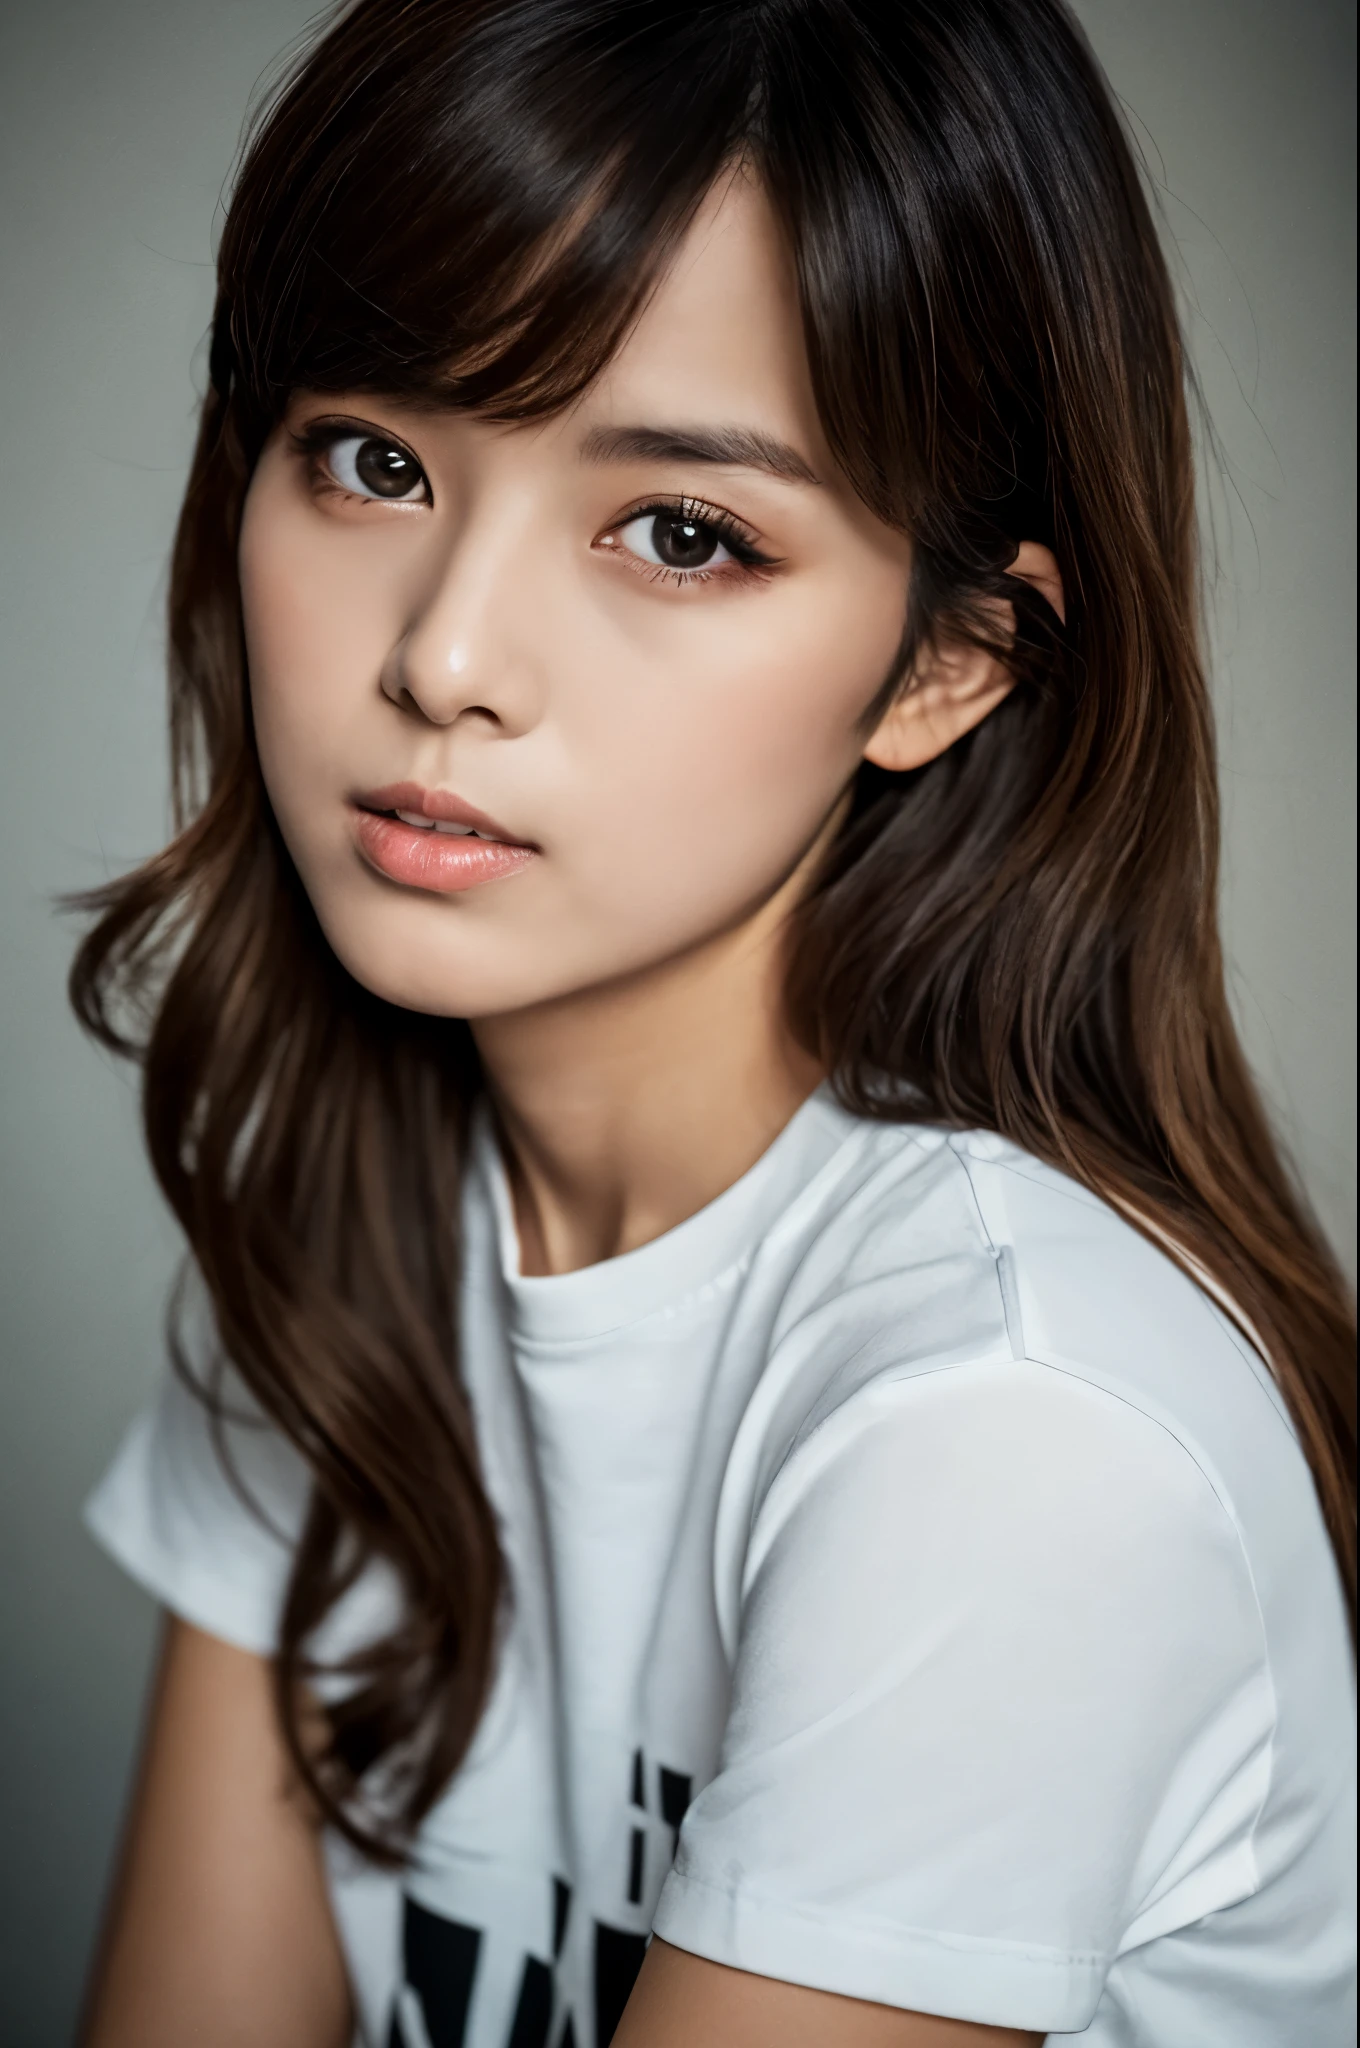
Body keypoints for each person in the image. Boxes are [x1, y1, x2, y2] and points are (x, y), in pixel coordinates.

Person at [72, 1, 1355, 2044]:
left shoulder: (1009, 1432)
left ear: (944, 662)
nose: (448, 657)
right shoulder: (344, 1229)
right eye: (373, 460)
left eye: (679, 532)